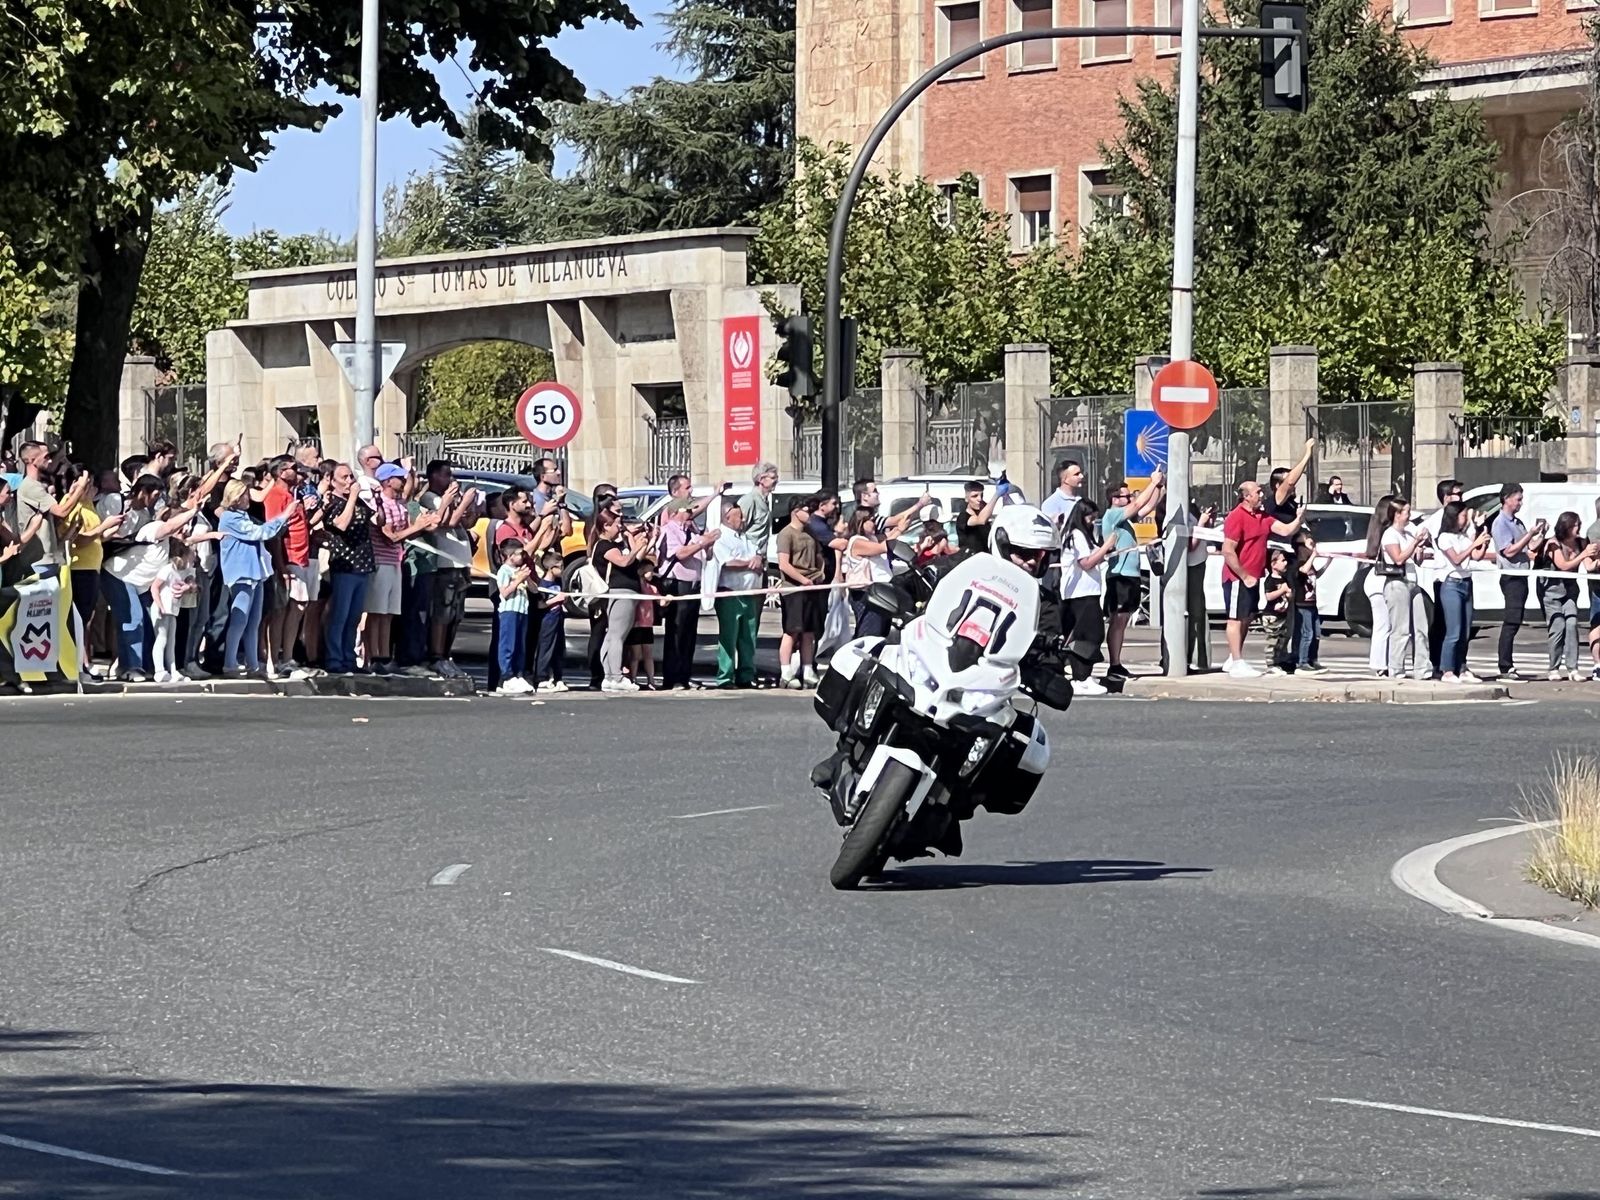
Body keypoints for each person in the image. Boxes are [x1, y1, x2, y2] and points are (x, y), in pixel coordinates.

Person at [103, 475, 200, 682]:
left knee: (152, 621)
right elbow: (169, 527)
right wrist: (192, 512)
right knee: (133, 619)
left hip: (144, 584)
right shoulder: (153, 528)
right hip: (119, 576)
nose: (185, 530)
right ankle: (132, 667)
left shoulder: (167, 542)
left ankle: (149, 666)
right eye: (154, 495)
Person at [1219, 479, 1305, 678]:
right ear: (1246, 496)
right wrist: (1243, 575)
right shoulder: (1236, 517)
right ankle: (1237, 662)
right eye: (1257, 492)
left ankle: (1234, 658)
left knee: (1247, 617)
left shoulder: (1262, 516)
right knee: (1235, 619)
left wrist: (1298, 519)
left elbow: (1284, 530)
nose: (1261, 495)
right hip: (1237, 578)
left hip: (1254, 577)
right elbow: (1228, 550)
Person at [368, 463, 439, 677]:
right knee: (377, 612)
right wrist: (418, 527)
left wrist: (425, 524)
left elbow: (406, 531)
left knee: (389, 612)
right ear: (388, 481)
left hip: (396, 561)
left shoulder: (400, 504)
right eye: (399, 477)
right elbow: (391, 536)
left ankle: (385, 656)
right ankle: (374, 656)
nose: (403, 481)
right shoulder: (381, 503)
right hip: (381, 560)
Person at [218, 478, 291, 678]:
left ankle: (252, 664)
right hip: (241, 573)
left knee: (254, 621)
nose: (247, 497)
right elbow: (259, 533)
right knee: (239, 619)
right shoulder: (230, 518)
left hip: (256, 572)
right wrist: (284, 515)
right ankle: (230, 663)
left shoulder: (244, 516)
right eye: (243, 494)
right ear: (234, 498)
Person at [417, 461, 478, 678]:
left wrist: (470, 506)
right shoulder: (430, 498)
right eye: (446, 475)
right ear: (433, 476)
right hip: (445, 564)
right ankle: (436, 655)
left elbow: (465, 522)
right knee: (441, 612)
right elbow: (447, 522)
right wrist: (457, 502)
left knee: (455, 614)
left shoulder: (449, 499)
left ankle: (446, 654)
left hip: (460, 563)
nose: (451, 479)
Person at [320, 462, 381, 676]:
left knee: (354, 616)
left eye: (351, 478)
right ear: (333, 480)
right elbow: (341, 525)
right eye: (344, 478)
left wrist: (377, 499)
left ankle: (349, 657)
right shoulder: (333, 503)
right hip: (344, 564)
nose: (349, 482)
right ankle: (334, 658)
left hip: (363, 564)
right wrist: (352, 497)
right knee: (340, 614)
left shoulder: (360, 502)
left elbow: (377, 521)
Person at [1100, 473, 1163, 678]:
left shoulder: (1124, 520)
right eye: (1126, 496)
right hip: (1120, 575)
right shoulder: (1112, 515)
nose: (1130, 499)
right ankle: (1114, 664)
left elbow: (1147, 507)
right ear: (1115, 499)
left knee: (1124, 619)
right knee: (1118, 620)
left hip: (1131, 575)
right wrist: (1151, 482)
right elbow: (1137, 506)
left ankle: (1117, 663)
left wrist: (1159, 488)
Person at [259, 456, 313, 679]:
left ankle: (288, 657)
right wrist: (280, 566)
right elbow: (274, 532)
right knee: (280, 611)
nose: (297, 472)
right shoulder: (275, 496)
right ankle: (274, 659)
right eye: (292, 468)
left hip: (300, 558)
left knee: (298, 608)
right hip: (287, 559)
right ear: (280, 473)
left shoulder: (292, 496)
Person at [657, 497, 719, 690]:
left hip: (693, 584)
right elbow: (680, 554)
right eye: (688, 511)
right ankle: (672, 676)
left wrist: (708, 544)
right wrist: (702, 543)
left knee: (690, 632)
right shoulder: (670, 530)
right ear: (676, 512)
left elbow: (706, 556)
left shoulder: (692, 530)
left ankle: (685, 674)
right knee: (676, 630)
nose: (691, 514)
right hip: (677, 584)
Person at [589, 505, 649, 693]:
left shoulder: (614, 544)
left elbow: (633, 562)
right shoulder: (604, 546)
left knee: (614, 635)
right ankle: (615, 675)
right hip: (619, 592)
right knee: (616, 636)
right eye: (616, 524)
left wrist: (645, 543)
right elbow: (623, 561)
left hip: (626, 592)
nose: (619, 527)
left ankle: (609, 676)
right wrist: (634, 549)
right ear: (605, 526)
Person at [1371, 496, 1431, 682]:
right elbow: (1398, 558)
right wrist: (1413, 544)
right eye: (1406, 512)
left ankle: (1423, 669)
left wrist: (1419, 545)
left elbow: (1417, 560)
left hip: (1413, 582)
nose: (1409, 515)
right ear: (1397, 515)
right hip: (1396, 583)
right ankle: (1396, 669)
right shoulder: (1390, 535)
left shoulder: (1407, 534)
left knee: (1421, 628)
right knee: (1401, 629)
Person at [1058, 500, 1115, 695]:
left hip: (1087, 591)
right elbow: (1086, 563)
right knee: (1089, 635)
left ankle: (1084, 675)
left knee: (1088, 635)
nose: (1093, 521)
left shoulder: (1081, 535)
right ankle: (1080, 677)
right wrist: (1106, 545)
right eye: (1090, 517)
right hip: (1081, 594)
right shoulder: (1076, 535)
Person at [1534, 511, 1598, 682]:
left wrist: (1594, 558)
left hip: (1570, 591)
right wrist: (1583, 554)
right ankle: (1553, 668)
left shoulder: (1581, 542)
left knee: (1571, 624)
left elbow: (1588, 566)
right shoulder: (1553, 544)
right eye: (1576, 525)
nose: (1579, 528)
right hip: (1551, 592)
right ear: (1566, 527)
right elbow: (1563, 566)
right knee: (1557, 626)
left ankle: (1573, 668)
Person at [1433, 499, 1492, 683]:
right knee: (1454, 631)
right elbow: (1457, 559)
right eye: (1463, 516)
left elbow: (1475, 556)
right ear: (1453, 517)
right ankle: (1447, 670)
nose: (1465, 519)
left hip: (1466, 582)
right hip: (1451, 584)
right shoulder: (1444, 537)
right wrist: (1474, 545)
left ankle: (1462, 666)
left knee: (1466, 630)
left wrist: (1482, 542)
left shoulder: (1463, 537)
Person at [1491, 482, 1543, 681]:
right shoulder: (1500, 523)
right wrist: (1529, 534)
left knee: (1517, 619)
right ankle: (1505, 665)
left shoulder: (1517, 522)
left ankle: (1507, 664)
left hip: (1522, 575)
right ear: (1506, 499)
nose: (1521, 503)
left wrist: (1540, 535)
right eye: (1518, 499)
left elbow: (1528, 548)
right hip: (1511, 576)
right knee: (1511, 621)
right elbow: (1509, 551)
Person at [711, 500, 763, 689]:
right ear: (727, 516)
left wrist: (757, 559)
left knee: (748, 636)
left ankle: (746, 675)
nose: (743, 519)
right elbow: (726, 562)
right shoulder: (720, 537)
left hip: (749, 593)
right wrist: (749, 563)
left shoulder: (745, 537)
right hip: (730, 593)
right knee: (729, 636)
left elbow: (757, 555)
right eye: (739, 516)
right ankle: (725, 676)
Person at [776, 495, 826, 688]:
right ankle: (786, 672)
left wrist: (819, 573)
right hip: (793, 589)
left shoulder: (810, 533)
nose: (809, 514)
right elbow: (783, 564)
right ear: (795, 511)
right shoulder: (786, 534)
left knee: (808, 632)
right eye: (806, 510)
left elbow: (819, 556)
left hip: (812, 587)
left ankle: (807, 669)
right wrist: (803, 579)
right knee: (792, 631)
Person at [1417, 478, 1464, 679]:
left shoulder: (1462, 517)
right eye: (1457, 494)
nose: (1461, 497)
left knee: (1460, 625)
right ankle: (1439, 664)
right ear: (1446, 497)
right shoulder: (1435, 521)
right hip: (1443, 576)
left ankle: (1459, 664)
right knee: (1443, 623)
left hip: (1460, 575)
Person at [840, 506, 893, 640]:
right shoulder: (857, 541)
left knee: (881, 633)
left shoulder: (873, 538)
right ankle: (858, 660)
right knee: (869, 633)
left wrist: (916, 508)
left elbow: (897, 531)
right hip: (865, 593)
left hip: (881, 591)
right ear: (861, 522)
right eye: (871, 520)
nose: (874, 523)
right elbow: (883, 547)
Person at [149, 541, 197, 683]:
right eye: (190, 555)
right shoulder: (168, 570)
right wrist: (160, 606)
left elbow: (192, 584)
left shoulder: (180, 572)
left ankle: (173, 669)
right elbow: (154, 587)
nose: (192, 558)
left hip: (172, 610)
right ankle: (159, 670)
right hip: (162, 609)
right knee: (161, 639)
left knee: (171, 641)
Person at [494, 538, 535, 694]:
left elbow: (534, 590)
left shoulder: (521, 571)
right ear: (510, 555)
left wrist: (527, 578)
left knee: (520, 645)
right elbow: (504, 592)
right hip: (509, 611)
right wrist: (518, 580)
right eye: (519, 554)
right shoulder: (504, 571)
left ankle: (518, 674)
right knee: (508, 644)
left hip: (522, 610)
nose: (522, 557)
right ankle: (506, 676)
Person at [1291, 530, 1328, 675]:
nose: (1313, 545)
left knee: (1316, 633)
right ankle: (1302, 662)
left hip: (1312, 603)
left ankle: (1313, 660)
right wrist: (1313, 555)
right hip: (1303, 604)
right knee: (1307, 633)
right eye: (1310, 542)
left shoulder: (1310, 565)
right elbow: (1303, 571)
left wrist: (1328, 561)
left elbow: (1317, 573)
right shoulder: (1299, 563)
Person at [1184, 501, 1215, 672]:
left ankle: (1201, 658)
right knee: (1193, 612)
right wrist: (1201, 524)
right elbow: (1190, 546)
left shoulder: (1191, 510)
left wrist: (1208, 521)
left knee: (1200, 612)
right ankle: (1190, 657)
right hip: (1190, 566)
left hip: (1199, 563)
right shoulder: (1174, 511)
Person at [532, 550, 568, 692]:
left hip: (558, 619)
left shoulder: (559, 583)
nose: (562, 570)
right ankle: (541, 678)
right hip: (547, 620)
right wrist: (556, 599)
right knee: (546, 648)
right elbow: (540, 604)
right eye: (560, 567)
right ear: (551, 568)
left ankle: (558, 677)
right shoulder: (543, 585)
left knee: (559, 650)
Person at [1264, 439, 1317, 526]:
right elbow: (1290, 481)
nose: (1293, 486)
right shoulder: (1275, 501)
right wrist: (1307, 454)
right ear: (1277, 485)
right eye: (1285, 481)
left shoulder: (1291, 503)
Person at [1260, 549, 1294, 675]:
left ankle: (1280, 661)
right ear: (1273, 564)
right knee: (1272, 641)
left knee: (1282, 640)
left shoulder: (1284, 579)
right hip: (1272, 616)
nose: (1286, 563)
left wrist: (1289, 594)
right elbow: (1268, 596)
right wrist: (1282, 590)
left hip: (1283, 615)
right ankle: (1271, 664)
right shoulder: (1270, 580)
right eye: (1283, 561)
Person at [738, 462, 779, 557]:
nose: (776, 481)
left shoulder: (765, 501)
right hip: (749, 557)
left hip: (761, 558)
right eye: (773, 478)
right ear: (761, 479)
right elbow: (738, 531)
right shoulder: (749, 500)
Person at [955, 480, 998, 555]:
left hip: (986, 559)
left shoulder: (984, 514)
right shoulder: (963, 517)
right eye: (974, 496)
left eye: (981, 496)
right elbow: (981, 520)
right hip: (969, 559)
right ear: (966, 499)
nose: (979, 499)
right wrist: (997, 495)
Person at [1040, 459, 1083, 527]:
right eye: (1076, 474)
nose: (1081, 476)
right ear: (1064, 479)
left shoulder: (1081, 500)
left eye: (1081, 473)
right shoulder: (1051, 504)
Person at [1587, 498, 1600, 680]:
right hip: (1598, 583)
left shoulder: (1592, 529)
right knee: (1597, 623)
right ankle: (1597, 665)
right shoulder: (1595, 531)